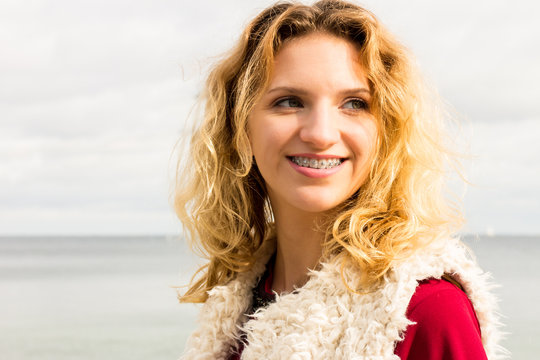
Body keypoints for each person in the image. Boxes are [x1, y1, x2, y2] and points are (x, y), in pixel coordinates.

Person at [175, 1, 506, 359]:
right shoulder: (236, 301)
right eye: (289, 101)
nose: (320, 134)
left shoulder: (424, 309)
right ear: (240, 125)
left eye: (354, 104)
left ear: (387, 129)